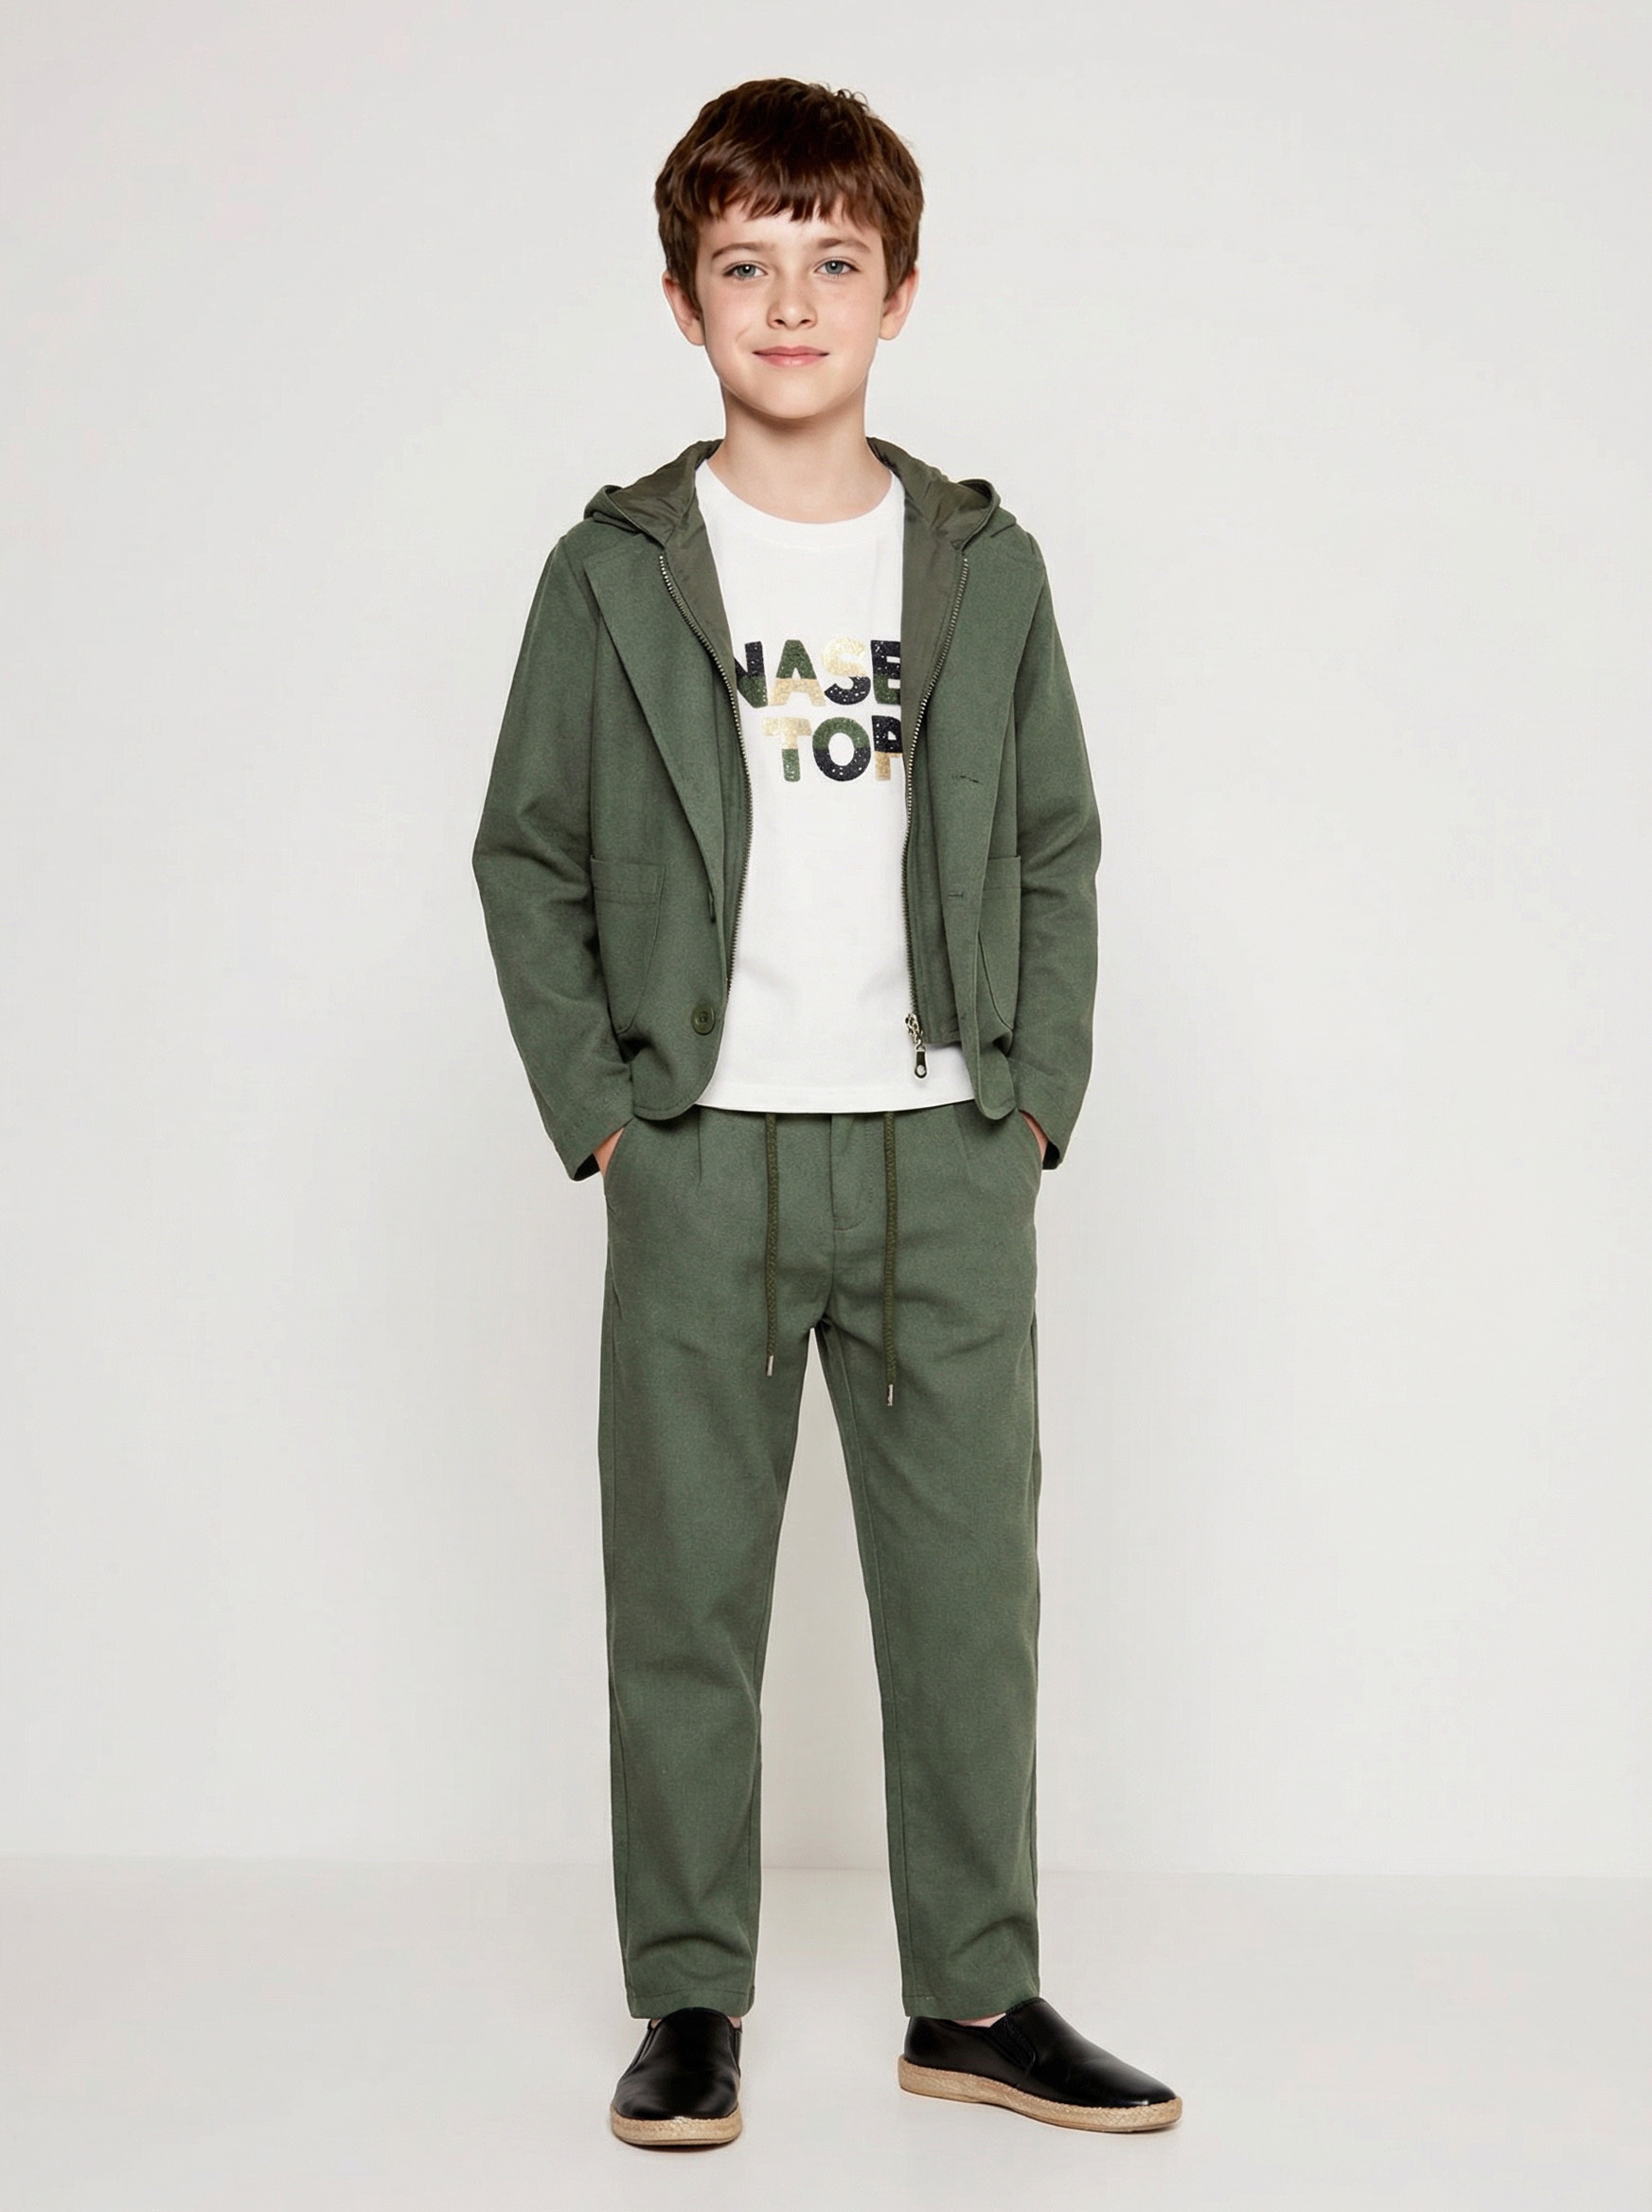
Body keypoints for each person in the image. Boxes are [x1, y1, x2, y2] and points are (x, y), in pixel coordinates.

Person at [471, 76, 1181, 2150]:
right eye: (745, 265)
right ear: (683, 301)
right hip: (701, 1145)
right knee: (684, 1596)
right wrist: (606, 1115)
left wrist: (1028, 1103)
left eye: (833, 262)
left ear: (900, 291)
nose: (791, 304)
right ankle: (689, 1999)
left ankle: (977, 1997)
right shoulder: (613, 571)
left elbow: (1054, 847)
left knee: (968, 1600)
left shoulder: (980, 562)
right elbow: (526, 852)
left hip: (938, 1148)